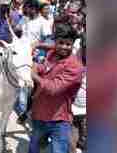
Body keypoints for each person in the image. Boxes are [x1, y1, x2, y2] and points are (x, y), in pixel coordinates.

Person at [28, 23, 83, 153]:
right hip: (39, 114)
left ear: (73, 44)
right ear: (55, 42)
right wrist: (38, 46)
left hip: (59, 120)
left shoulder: (74, 67)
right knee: (33, 147)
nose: (64, 47)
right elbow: (45, 65)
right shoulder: (53, 52)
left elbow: (53, 88)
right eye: (61, 43)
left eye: (68, 44)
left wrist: (34, 74)